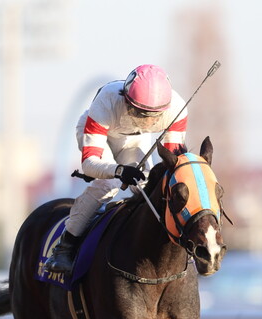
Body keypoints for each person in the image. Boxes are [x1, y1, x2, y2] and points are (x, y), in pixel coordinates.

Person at [44, 64, 189, 274]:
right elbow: (89, 163)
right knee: (108, 184)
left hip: (134, 140)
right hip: (101, 134)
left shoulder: (178, 109)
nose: (146, 120)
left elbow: (173, 165)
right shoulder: (107, 101)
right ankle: (65, 246)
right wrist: (120, 171)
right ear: (125, 98)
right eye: (139, 113)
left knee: (147, 187)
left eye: (152, 116)